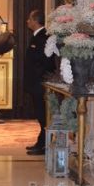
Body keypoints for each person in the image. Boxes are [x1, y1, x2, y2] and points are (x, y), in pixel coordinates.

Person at [24, 9, 55, 156]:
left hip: (40, 83)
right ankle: (41, 141)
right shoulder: (37, 37)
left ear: (36, 21)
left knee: (42, 114)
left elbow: (45, 63)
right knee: (39, 113)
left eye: (29, 19)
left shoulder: (43, 37)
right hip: (35, 83)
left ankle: (43, 144)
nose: (27, 22)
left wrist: (39, 79)